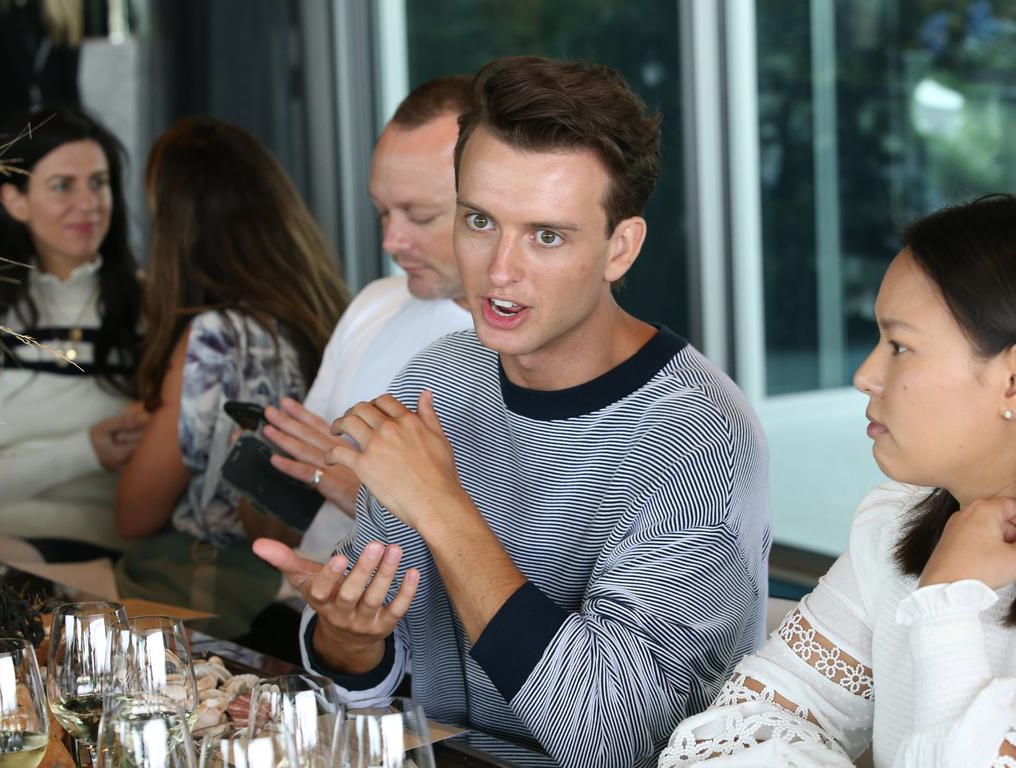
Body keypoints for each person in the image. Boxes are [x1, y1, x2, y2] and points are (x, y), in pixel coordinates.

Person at [257, 56, 770, 767]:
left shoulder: (699, 436)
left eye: (547, 235)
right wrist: (348, 636)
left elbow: (612, 738)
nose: (499, 270)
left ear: (619, 248)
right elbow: (375, 689)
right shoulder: (438, 378)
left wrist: (443, 508)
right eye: (479, 220)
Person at [660, 194, 1016, 768]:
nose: (864, 376)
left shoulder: (932, 561)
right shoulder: (895, 525)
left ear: (1012, 380)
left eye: (899, 346)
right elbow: (745, 727)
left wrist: (947, 603)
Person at [113, 116, 350, 638]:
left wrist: (155, 418)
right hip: (298, 586)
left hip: (217, 596)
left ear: (175, 226)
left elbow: (133, 513)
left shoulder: (216, 336)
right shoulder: (328, 312)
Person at [262, 74, 474, 563]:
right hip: (302, 609)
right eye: (382, 212)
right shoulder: (375, 303)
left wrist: (361, 495)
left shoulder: (527, 351)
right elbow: (298, 485)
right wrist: (267, 458)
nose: (391, 242)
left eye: (419, 216)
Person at [0, 106, 144, 557]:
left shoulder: (149, 305)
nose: (89, 204)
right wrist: (85, 452)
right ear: (14, 201)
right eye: (63, 186)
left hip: (109, 556)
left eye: (99, 183)